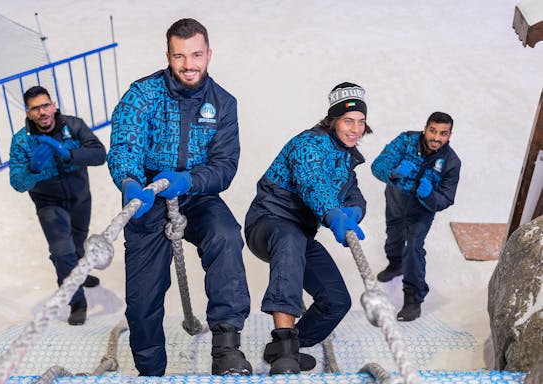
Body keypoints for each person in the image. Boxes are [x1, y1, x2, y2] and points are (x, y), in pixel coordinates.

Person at [107, 18, 251, 377]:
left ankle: (227, 348)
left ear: (209, 54)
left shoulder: (222, 103)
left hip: (195, 192)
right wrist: (129, 182)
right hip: (147, 194)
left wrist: (187, 180)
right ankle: (151, 370)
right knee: (143, 295)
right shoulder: (142, 94)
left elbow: (225, 165)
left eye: (197, 55)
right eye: (180, 56)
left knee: (226, 236)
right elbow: (126, 144)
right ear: (168, 56)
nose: (189, 64)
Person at [244, 82, 370, 374]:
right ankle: (284, 344)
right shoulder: (308, 145)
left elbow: (353, 193)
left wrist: (353, 211)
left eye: (361, 122)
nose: (355, 128)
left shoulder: (346, 156)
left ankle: (286, 348)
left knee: (336, 300)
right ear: (333, 121)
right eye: (348, 121)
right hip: (268, 222)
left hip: (299, 234)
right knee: (289, 240)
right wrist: (332, 213)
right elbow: (312, 184)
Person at [9, 85, 106, 326]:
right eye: (35, 108)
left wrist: (69, 154)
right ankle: (77, 301)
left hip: (81, 198)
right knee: (63, 252)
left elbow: (99, 154)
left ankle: (79, 274)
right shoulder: (22, 142)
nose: (42, 112)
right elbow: (17, 183)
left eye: (45, 105)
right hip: (49, 204)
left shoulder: (74, 126)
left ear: (53, 106)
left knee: (77, 244)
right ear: (28, 113)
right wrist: (32, 170)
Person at [371, 111, 461, 321]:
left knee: (413, 248)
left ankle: (413, 298)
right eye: (433, 131)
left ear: (449, 135)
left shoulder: (451, 162)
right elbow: (378, 165)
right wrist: (393, 173)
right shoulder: (405, 141)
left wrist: (429, 195)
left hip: (421, 211)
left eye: (443, 133)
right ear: (425, 128)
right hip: (396, 199)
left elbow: (446, 198)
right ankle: (395, 264)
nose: (436, 137)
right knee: (393, 234)